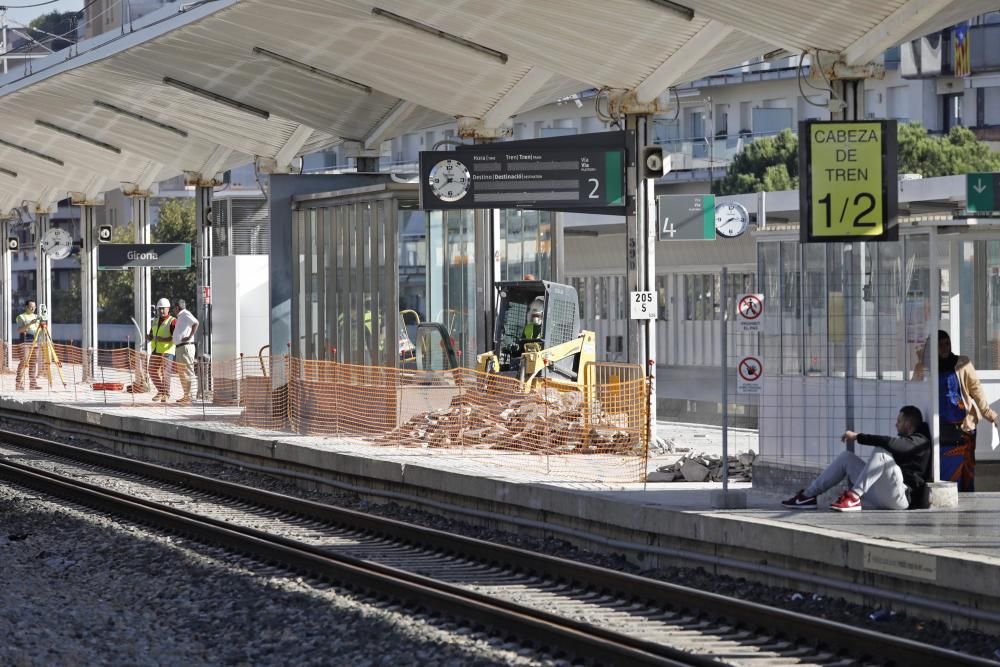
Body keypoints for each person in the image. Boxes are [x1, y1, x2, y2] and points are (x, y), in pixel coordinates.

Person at [782, 405, 931, 512]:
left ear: (908, 423)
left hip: (901, 498)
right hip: (882, 496)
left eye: (899, 421)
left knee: (881, 452)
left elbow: (894, 444)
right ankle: (808, 496)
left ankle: (853, 497)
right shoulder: (908, 439)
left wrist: (858, 437)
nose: (895, 424)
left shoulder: (920, 441)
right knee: (847, 458)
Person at [913, 330, 998, 492]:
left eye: (947, 343)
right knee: (941, 472)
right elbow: (915, 392)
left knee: (965, 473)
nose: (945, 348)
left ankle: (966, 506)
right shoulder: (924, 367)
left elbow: (976, 390)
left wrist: (989, 413)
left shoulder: (962, 363)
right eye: (940, 345)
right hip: (938, 430)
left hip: (964, 429)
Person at [146, 297, 176, 402]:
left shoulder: (173, 321)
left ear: (168, 308)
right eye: (160, 309)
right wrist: (148, 337)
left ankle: (166, 394)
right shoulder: (155, 321)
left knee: (165, 372)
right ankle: (161, 391)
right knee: (151, 370)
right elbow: (151, 334)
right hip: (156, 350)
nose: (162, 311)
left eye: (163, 308)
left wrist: (164, 339)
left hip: (167, 351)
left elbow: (175, 337)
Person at [171, 299, 199, 404]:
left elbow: (196, 323)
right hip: (180, 347)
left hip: (185, 347)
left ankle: (191, 397)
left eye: (174, 307)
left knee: (188, 372)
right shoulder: (180, 317)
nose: (173, 310)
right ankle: (186, 395)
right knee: (182, 373)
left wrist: (189, 336)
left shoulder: (185, 313)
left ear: (178, 307)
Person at [15, 299, 41, 390]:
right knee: (24, 362)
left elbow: (40, 330)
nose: (33, 308)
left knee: (33, 363)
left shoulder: (37, 316)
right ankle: (19, 384)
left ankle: (33, 384)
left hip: (36, 341)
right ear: (26, 307)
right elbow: (19, 330)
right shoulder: (21, 317)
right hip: (25, 341)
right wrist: (30, 323)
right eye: (31, 306)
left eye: (34, 306)